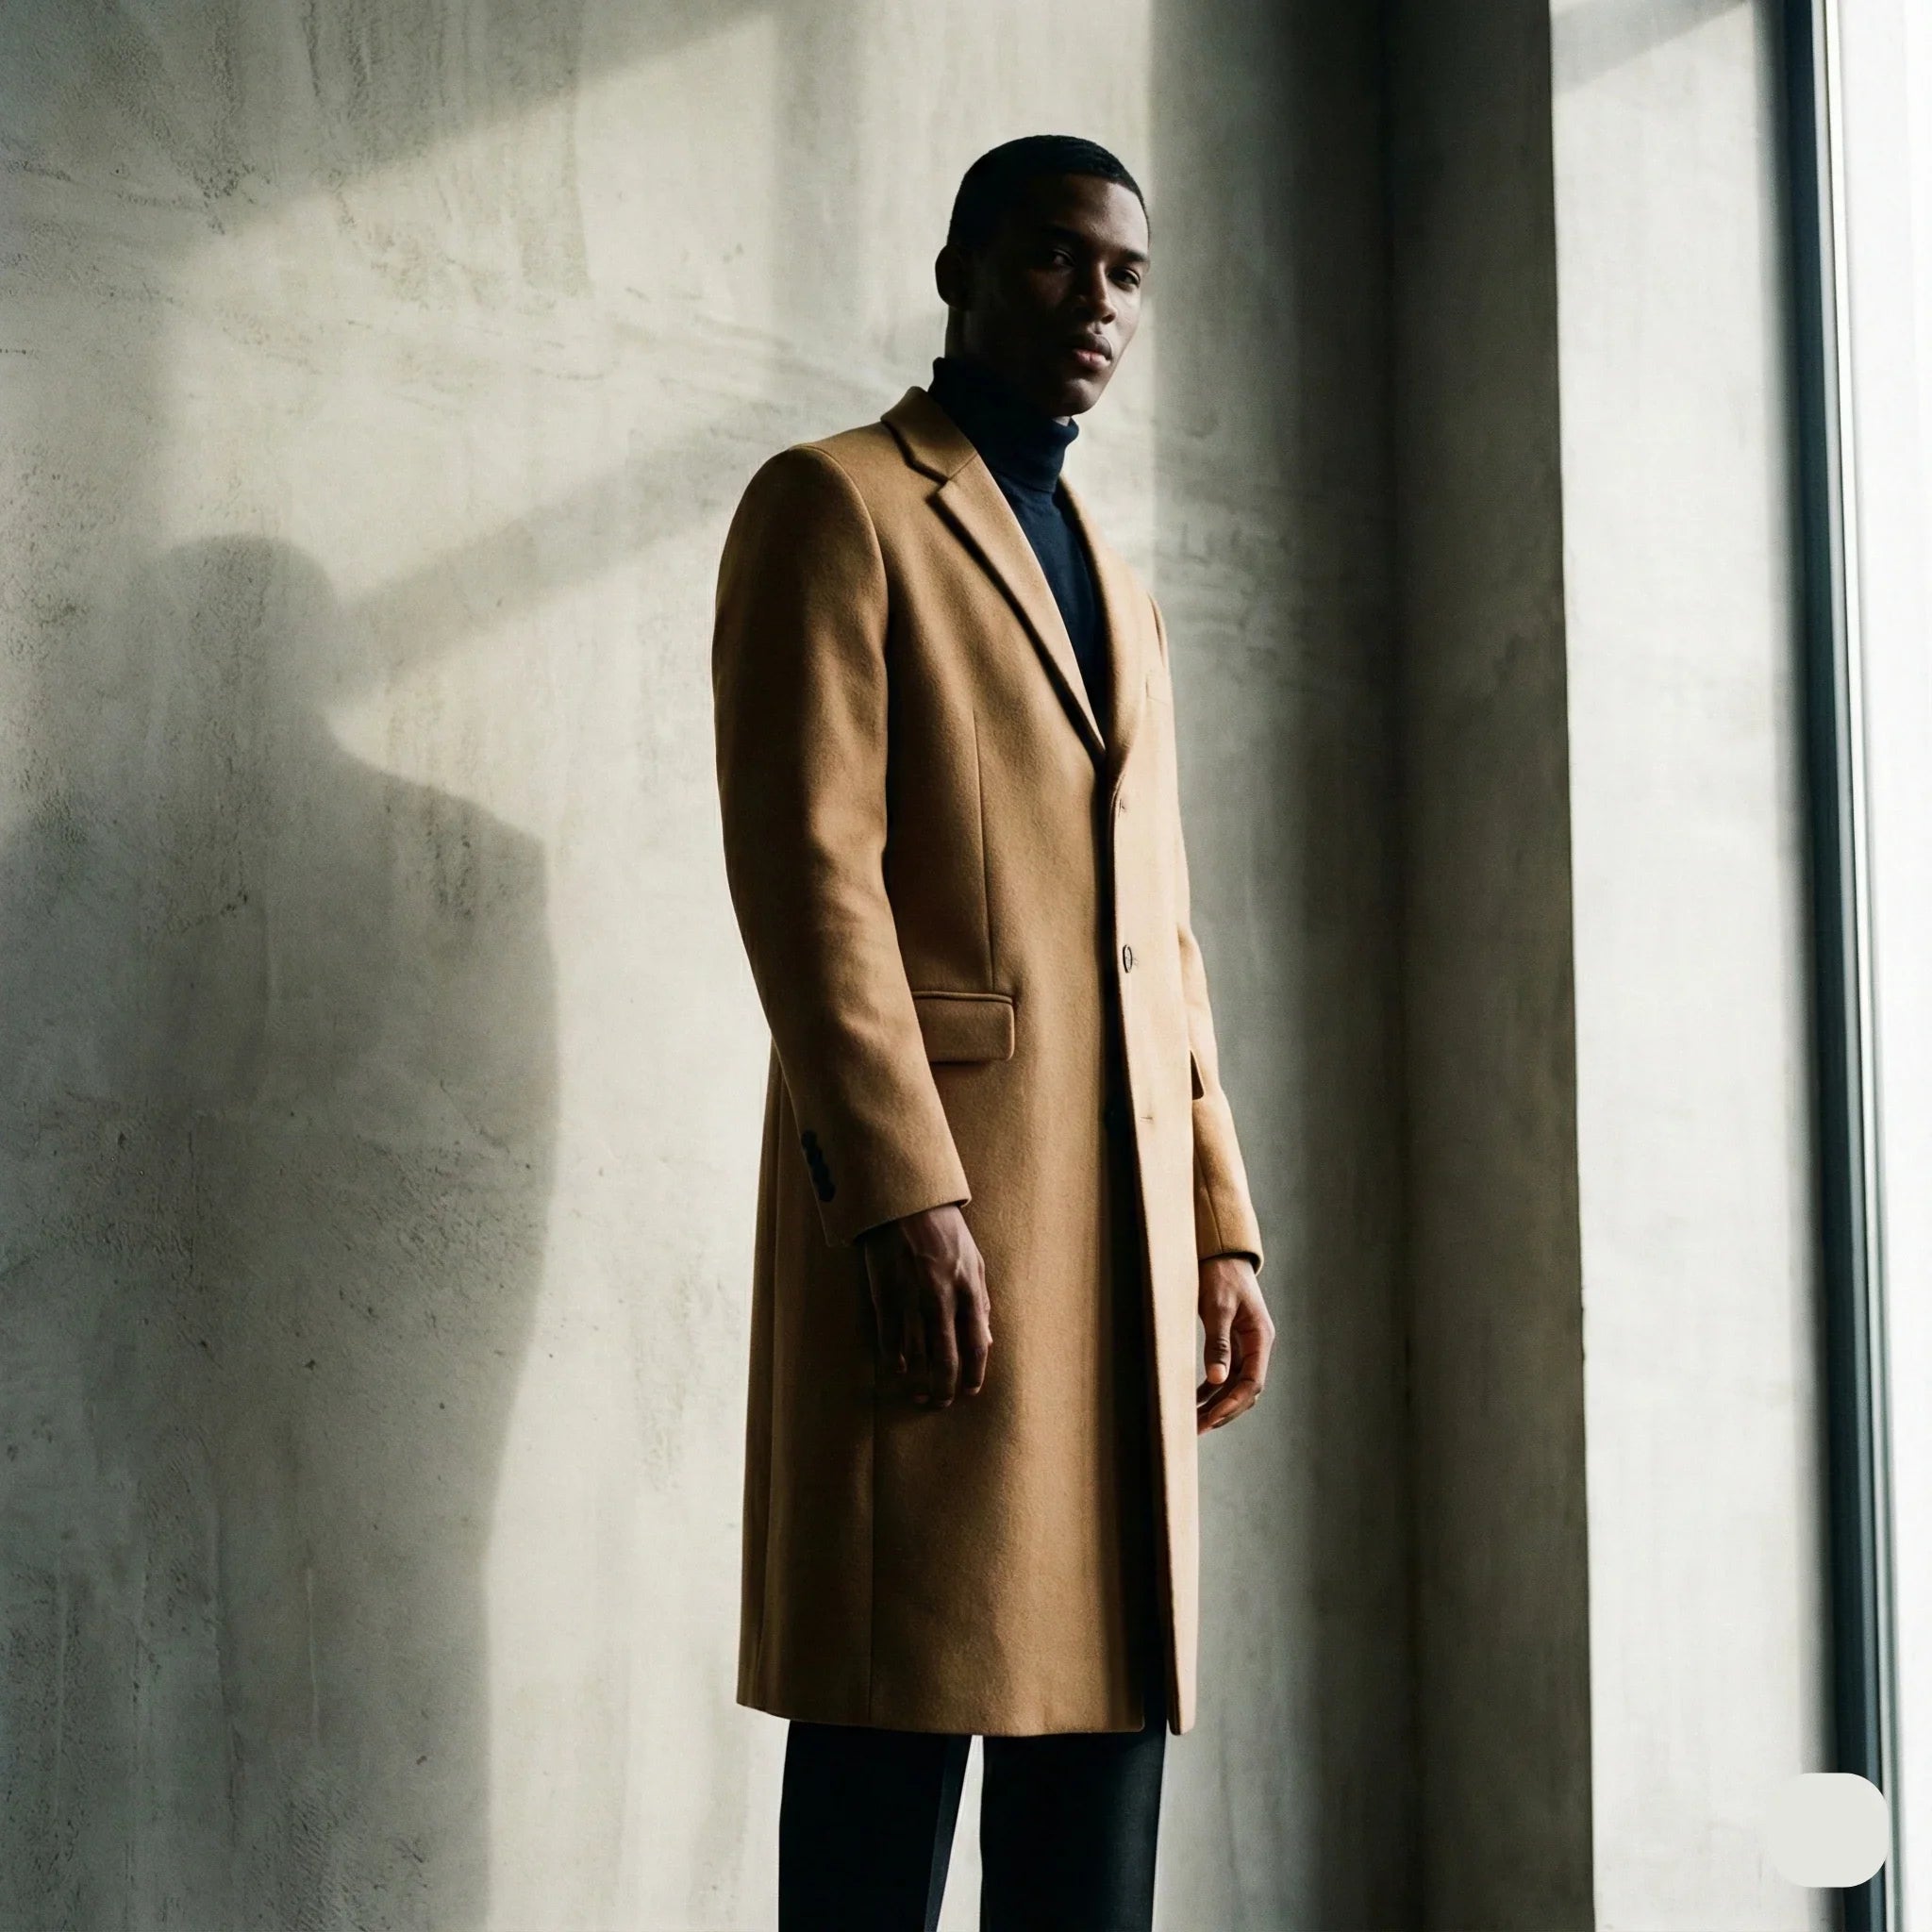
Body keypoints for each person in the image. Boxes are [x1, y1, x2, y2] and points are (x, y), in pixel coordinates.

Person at [710, 134, 1274, 1931]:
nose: (1094, 302)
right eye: (1052, 259)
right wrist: (899, 1193)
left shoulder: (1119, 575)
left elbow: (1162, 940)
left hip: (1115, 1258)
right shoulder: (837, 503)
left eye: (1123, 274)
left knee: (1097, 1798)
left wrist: (1223, 1221)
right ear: (956, 270)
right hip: (947, 1231)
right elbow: (810, 878)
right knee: (890, 1748)